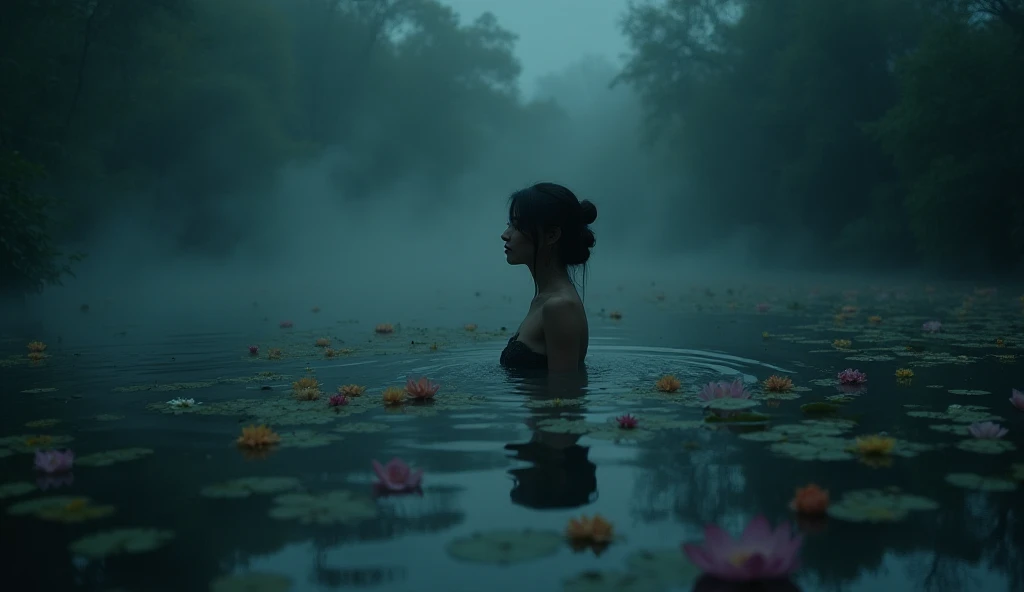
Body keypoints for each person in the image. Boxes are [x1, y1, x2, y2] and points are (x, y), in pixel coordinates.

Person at [499, 182, 597, 372]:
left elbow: (565, 393)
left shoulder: (559, 306)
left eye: (517, 226)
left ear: (551, 235)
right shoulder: (543, 300)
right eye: (509, 224)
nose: (505, 235)